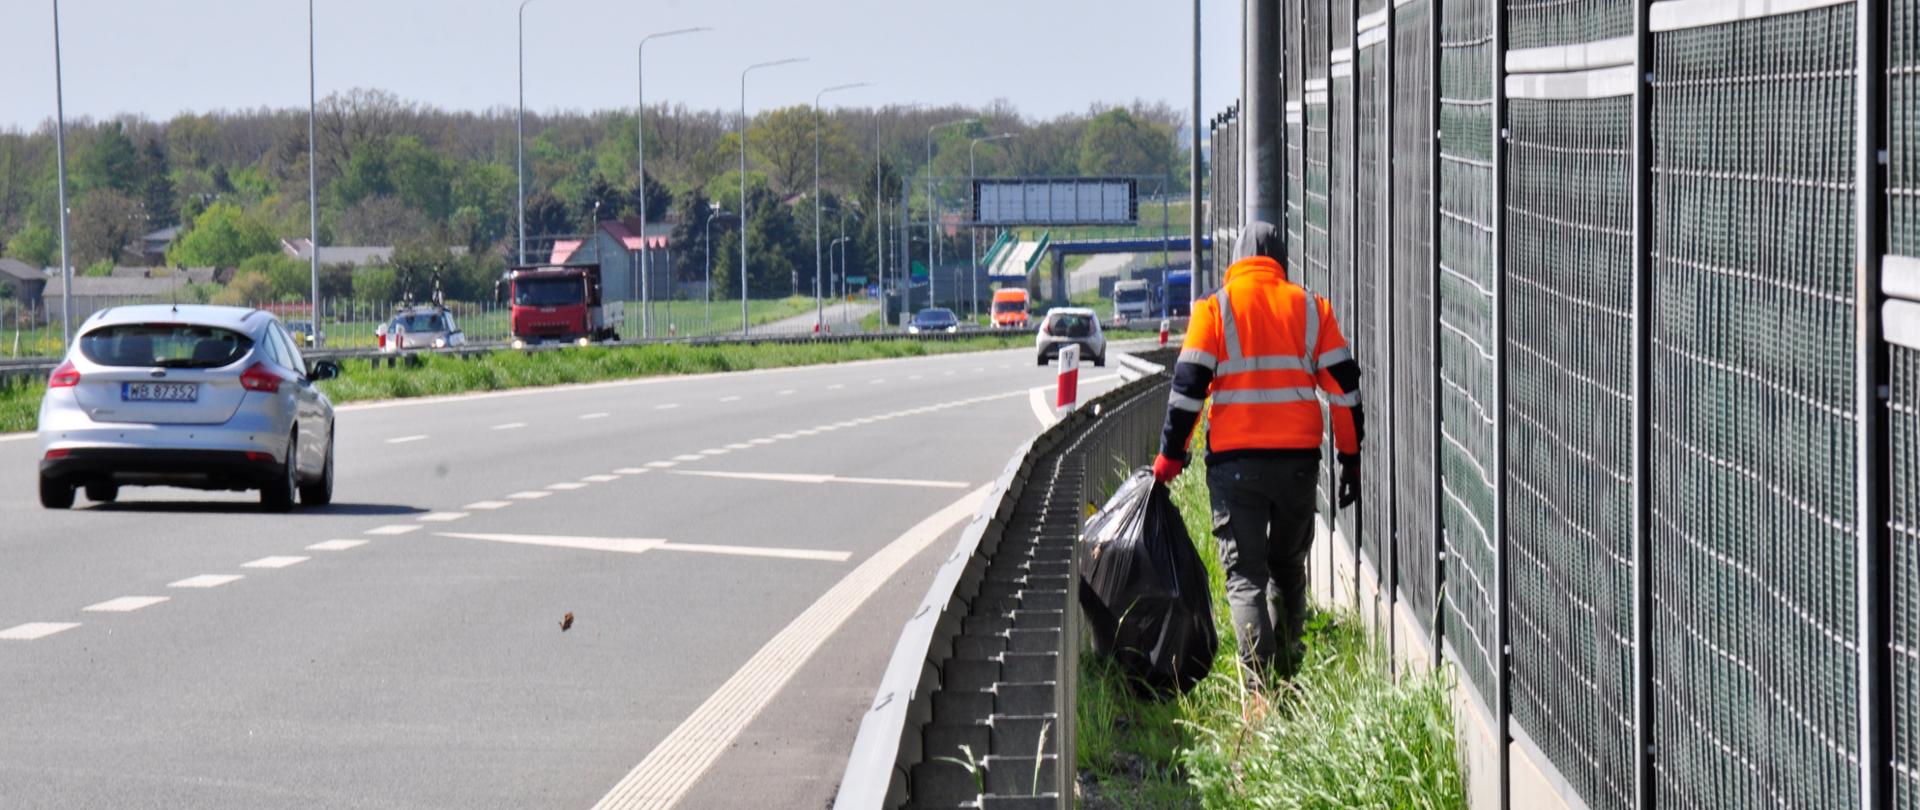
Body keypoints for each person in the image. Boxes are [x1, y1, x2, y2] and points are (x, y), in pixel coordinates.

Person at [1153, 221, 1364, 683]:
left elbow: (1187, 390)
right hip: (1298, 464)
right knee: (1287, 567)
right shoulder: (1312, 309)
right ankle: (1289, 669)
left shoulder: (1215, 308)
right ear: (1280, 263)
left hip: (1235, 466)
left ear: (1237, 262)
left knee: (1245, 576)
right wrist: (1349, 458)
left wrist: (1171, 455)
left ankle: (1259, 690)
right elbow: (1345, 391)